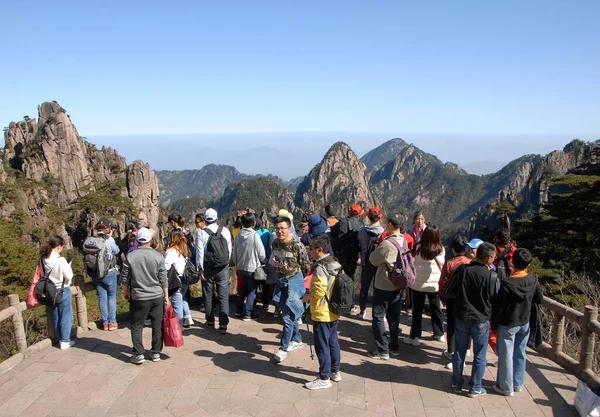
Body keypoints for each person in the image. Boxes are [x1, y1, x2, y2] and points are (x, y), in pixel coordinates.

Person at [447, 242, 499, 397]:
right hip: (481, 319)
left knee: (459, 352)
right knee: (480, 354)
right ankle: (475, 387)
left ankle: (456, 382)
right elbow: (495, 299)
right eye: (493, 257)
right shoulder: (492, 275)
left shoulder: (462, 270)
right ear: (488, 258)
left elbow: (449, 289)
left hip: (462, 315)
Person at [493, 248, 543, 396]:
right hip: (524, 322)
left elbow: (499, 305)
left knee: (506, 355)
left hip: (508, 323)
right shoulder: (533, 281)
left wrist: (494, 324)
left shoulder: (508, 283)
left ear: (512, 262)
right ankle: (518, 383)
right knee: (520, 353)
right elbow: (539, 299)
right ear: (528, 265)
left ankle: (505, 387)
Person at [121, 228, 168, 365]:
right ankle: (156, 352)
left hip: (139, 296)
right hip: (156, 295)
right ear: (150, 240)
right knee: (157, 324)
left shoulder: (131, 256)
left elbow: (125, 278)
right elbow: (163, 278)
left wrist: (125, 291)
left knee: (137, 325)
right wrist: (166, 296)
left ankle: (138, 353)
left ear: (137, 241)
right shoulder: (158, 256)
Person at [302, 234, 342, 389]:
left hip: (322, 311)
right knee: (333, 342)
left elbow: (318, 292)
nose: (310, 251)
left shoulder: (320, 267)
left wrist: (307, 297)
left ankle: (324, 377)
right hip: (333, 309)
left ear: (319, 250)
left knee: (321, 345)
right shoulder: (334, 262)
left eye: (311, 248)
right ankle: (335, 371)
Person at [271, 215, 311, 363]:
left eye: (283, 228)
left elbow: (306, 265)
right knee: (287, 310)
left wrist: (301, 281)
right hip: (281, 281)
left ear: (289, 229)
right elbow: (276, 260)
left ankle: (283, 349)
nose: (280, 231)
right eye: (277, 228)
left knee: (287, 317)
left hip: (295, 280)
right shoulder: (275, 244)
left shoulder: (297, 245)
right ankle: (297, 339)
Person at [367, 216, 407, 360]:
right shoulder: (405, 241)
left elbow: (373, 259)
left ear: (390, 224)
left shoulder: (387, 243)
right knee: (394, 317)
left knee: (378, 317)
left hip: (384, 285)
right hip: (398, 285)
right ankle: (394, 347)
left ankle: (383, 349)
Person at [404, 225, 445, 347]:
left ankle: (415, 336)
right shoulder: (441, 249)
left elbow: (414, 262)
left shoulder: (418, 247)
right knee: (436, 308)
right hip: (434, 284)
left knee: (417, 310)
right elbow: (442, 264)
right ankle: (439, 333)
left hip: (418, 284)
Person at [195, 208, 232, 334]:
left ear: (205, 220)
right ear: (217, 219)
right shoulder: (225, 230)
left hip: (208, 267)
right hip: (223, 267)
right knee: (223, 295)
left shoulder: (201, 233)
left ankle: (210, 320)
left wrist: (200, 269)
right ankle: (223, 324)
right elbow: (229, 249)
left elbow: (200, 253)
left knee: (208, 294)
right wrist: (225, 263)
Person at [439, 235, 472, 368]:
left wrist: (442, 296)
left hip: (452, 299)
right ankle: (467, 348)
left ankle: (451, 350)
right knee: (466, 325)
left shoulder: (450, 263)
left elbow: (442, 282)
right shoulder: (471, 263)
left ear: (453, 249)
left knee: (452, 325)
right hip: (467, 299)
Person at [41, 235, 75, 350]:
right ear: (59, 246)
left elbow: (42, 274)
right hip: (62, 289)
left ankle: (59, 338)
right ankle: (65, 341)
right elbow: (68, 276)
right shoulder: (60, 260)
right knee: (65, 315)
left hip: (49, 291)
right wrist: (68, 266)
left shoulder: (43, 259)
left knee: (55, 315)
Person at [234, 212, 266, 321]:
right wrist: (265, 261)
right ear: (254, 223)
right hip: (252, 267)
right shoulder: (254, 235)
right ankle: (248, 313)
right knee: (252, 291)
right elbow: (261, 253)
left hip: (241, 267)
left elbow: (235, 252)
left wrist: (237, 265)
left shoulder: (239, 235)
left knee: (243, 288)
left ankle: (238, 311)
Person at [357, 207, 385, 319]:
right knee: (378, 289)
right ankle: (378, 313)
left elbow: (360, 244)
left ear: (368, 217)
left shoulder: (362, 231)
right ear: (379, 217)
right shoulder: (383, 232)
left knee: (364, 288)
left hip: (365, 262)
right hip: (378, 264)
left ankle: (362, 311)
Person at [93, 219, 120, 331]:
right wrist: (111, 237)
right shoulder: (109, 240)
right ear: (107, 229)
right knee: (111, 297)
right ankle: (112, 322)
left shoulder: (92, 240)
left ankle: (105, 322)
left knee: (102, 297)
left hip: (96, 274)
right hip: (109, 272)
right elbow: (117, 251)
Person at [165, 229, 193, 327]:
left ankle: (178, 327)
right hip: (185, 279)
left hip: (177, 280)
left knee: (176, 305)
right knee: (182, 298)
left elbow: (166, 266)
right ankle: (187, 318)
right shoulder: (184, 248)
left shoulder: (172, 251)